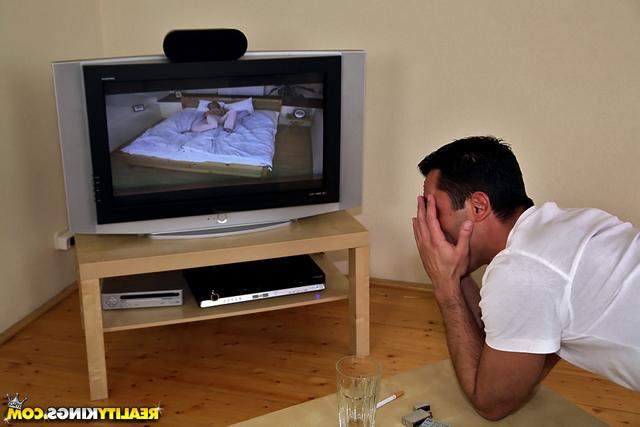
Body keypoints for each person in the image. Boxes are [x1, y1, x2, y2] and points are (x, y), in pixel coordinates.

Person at [412, 136, 639, 420]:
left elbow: (492, 402)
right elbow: (509, 360)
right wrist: (455, 275)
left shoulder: (520, 270)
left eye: (435, 212)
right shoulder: (570, 224)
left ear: (479, 207)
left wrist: (446, 288)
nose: (429, 225)